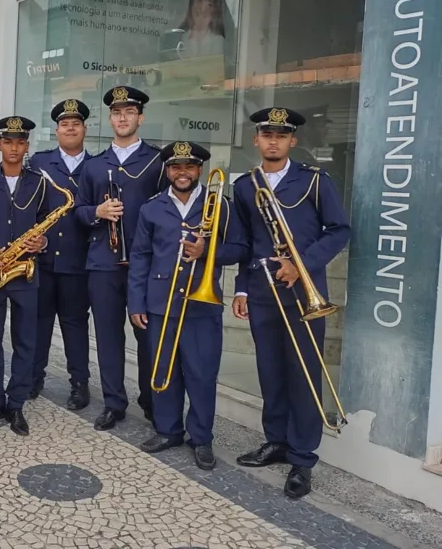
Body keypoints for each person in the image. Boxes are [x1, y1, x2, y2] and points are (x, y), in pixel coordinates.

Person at [231, 107, 350, 499]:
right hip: (264, 291)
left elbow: (339, 230)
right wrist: (242, 288)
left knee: (303, 374)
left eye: (281, 135)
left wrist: (302, 265)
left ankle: (302, 457)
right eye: (266, 134)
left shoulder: (315, 181)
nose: (273, 141)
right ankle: (276, 441)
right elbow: (246, 243)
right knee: (271, 370)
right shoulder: (246, 186)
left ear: (292, 141)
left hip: (304, 291)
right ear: (256, 140)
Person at [128, 141, 246, 470]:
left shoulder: (219, 204)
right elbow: (140, 257)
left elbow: (239, 248)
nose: (183, 173)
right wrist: (135, 300)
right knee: (163, 369)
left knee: (201, 374)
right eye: (176, 167)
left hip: (201, 304)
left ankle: (201, 437)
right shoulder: (151, 208)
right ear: (167, 171)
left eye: (190, 166)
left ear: (200, 170)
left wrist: (208, 252)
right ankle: (168, 430)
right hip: (160, 301)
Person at [75, 86, 166, 430]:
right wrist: (97, 211)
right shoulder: (95, 165)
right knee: (109, 336)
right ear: (110, 118)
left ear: (140, 117)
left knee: (148, 336)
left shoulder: (158, 162)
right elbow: (78, 212)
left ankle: (152, 399)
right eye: (117, 112)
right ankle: (114, 402)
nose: (123, 117)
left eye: (129, 112)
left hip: (146, 266)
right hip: (103, 262)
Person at [0, 116, 49, 436]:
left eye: (20, 143)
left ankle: (16, 403)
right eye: (8, 142)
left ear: (26, 146)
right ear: (0, 145)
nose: (14, 148)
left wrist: (42, 241)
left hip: (25, 273)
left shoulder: (40, 182)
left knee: (25, 342)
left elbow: (47, 221)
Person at [30, 99, 93, 410]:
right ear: (56, 131)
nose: (70, 127)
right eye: (65, 123)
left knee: (75, 325)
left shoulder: (96, 166)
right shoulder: (38, 163)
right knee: (38, 322)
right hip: (42, 261)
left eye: (76, 123)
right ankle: (33, 376)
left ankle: (80, 383)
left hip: (78, 261)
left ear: (84, 129)